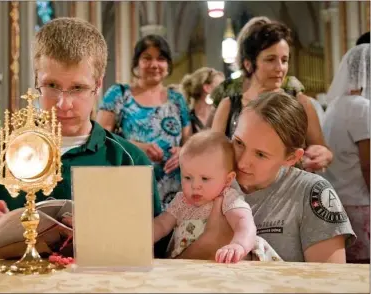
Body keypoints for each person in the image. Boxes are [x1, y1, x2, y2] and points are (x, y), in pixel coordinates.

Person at [0, 17, 163, 263]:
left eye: (78, 88)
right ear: (36, 80)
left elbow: (155, 254)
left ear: (98, 85)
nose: (63, 104)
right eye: (52, 85)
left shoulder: (128, 159)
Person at [176, 92, 356, 263]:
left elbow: (329, 282)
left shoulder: (312, 194)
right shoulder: (209, 181)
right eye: (239, 142)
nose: (242, 163)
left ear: (291, 158)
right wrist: (206, 244)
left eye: (261, 154)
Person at [211, 19, 332, 173]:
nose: (280, 68)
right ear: (248, 64)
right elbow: (212, 157)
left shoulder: (301, 102)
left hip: (290, 192)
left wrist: (323, 155)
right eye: (270, 59)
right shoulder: (228, 106)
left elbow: (322, 149)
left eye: (284, 60)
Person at [152, 130, 281, 263]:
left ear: (227, 179)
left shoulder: (228, 198)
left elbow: (244, 224)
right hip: (192, 264)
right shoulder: (181, 201)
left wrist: (238, 245)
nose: (195, 186)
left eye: (205, 178)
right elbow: (162, 224)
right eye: (187, 177)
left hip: (228, 262)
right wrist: (142, 236)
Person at [97, 35, 191, 209]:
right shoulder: (119, 94)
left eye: (161, 59)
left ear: (168, 64)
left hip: (174, 188)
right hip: (133, 183)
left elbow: (190, 142)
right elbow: (100, 137)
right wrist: (139, 148)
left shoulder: (177, 99)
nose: (154, 65)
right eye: (147, 58)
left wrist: (182, 152)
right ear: (136, 63)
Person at [322, 44, 370, 263]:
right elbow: (368, 164)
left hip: (337, 201)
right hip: (361, 204)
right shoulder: (362, 107)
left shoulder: (334, 106)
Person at [181, 67, 224, 133]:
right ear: (207, 88)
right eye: (221, 86)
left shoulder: (224, 116)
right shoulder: (185, 120)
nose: (225, 90)